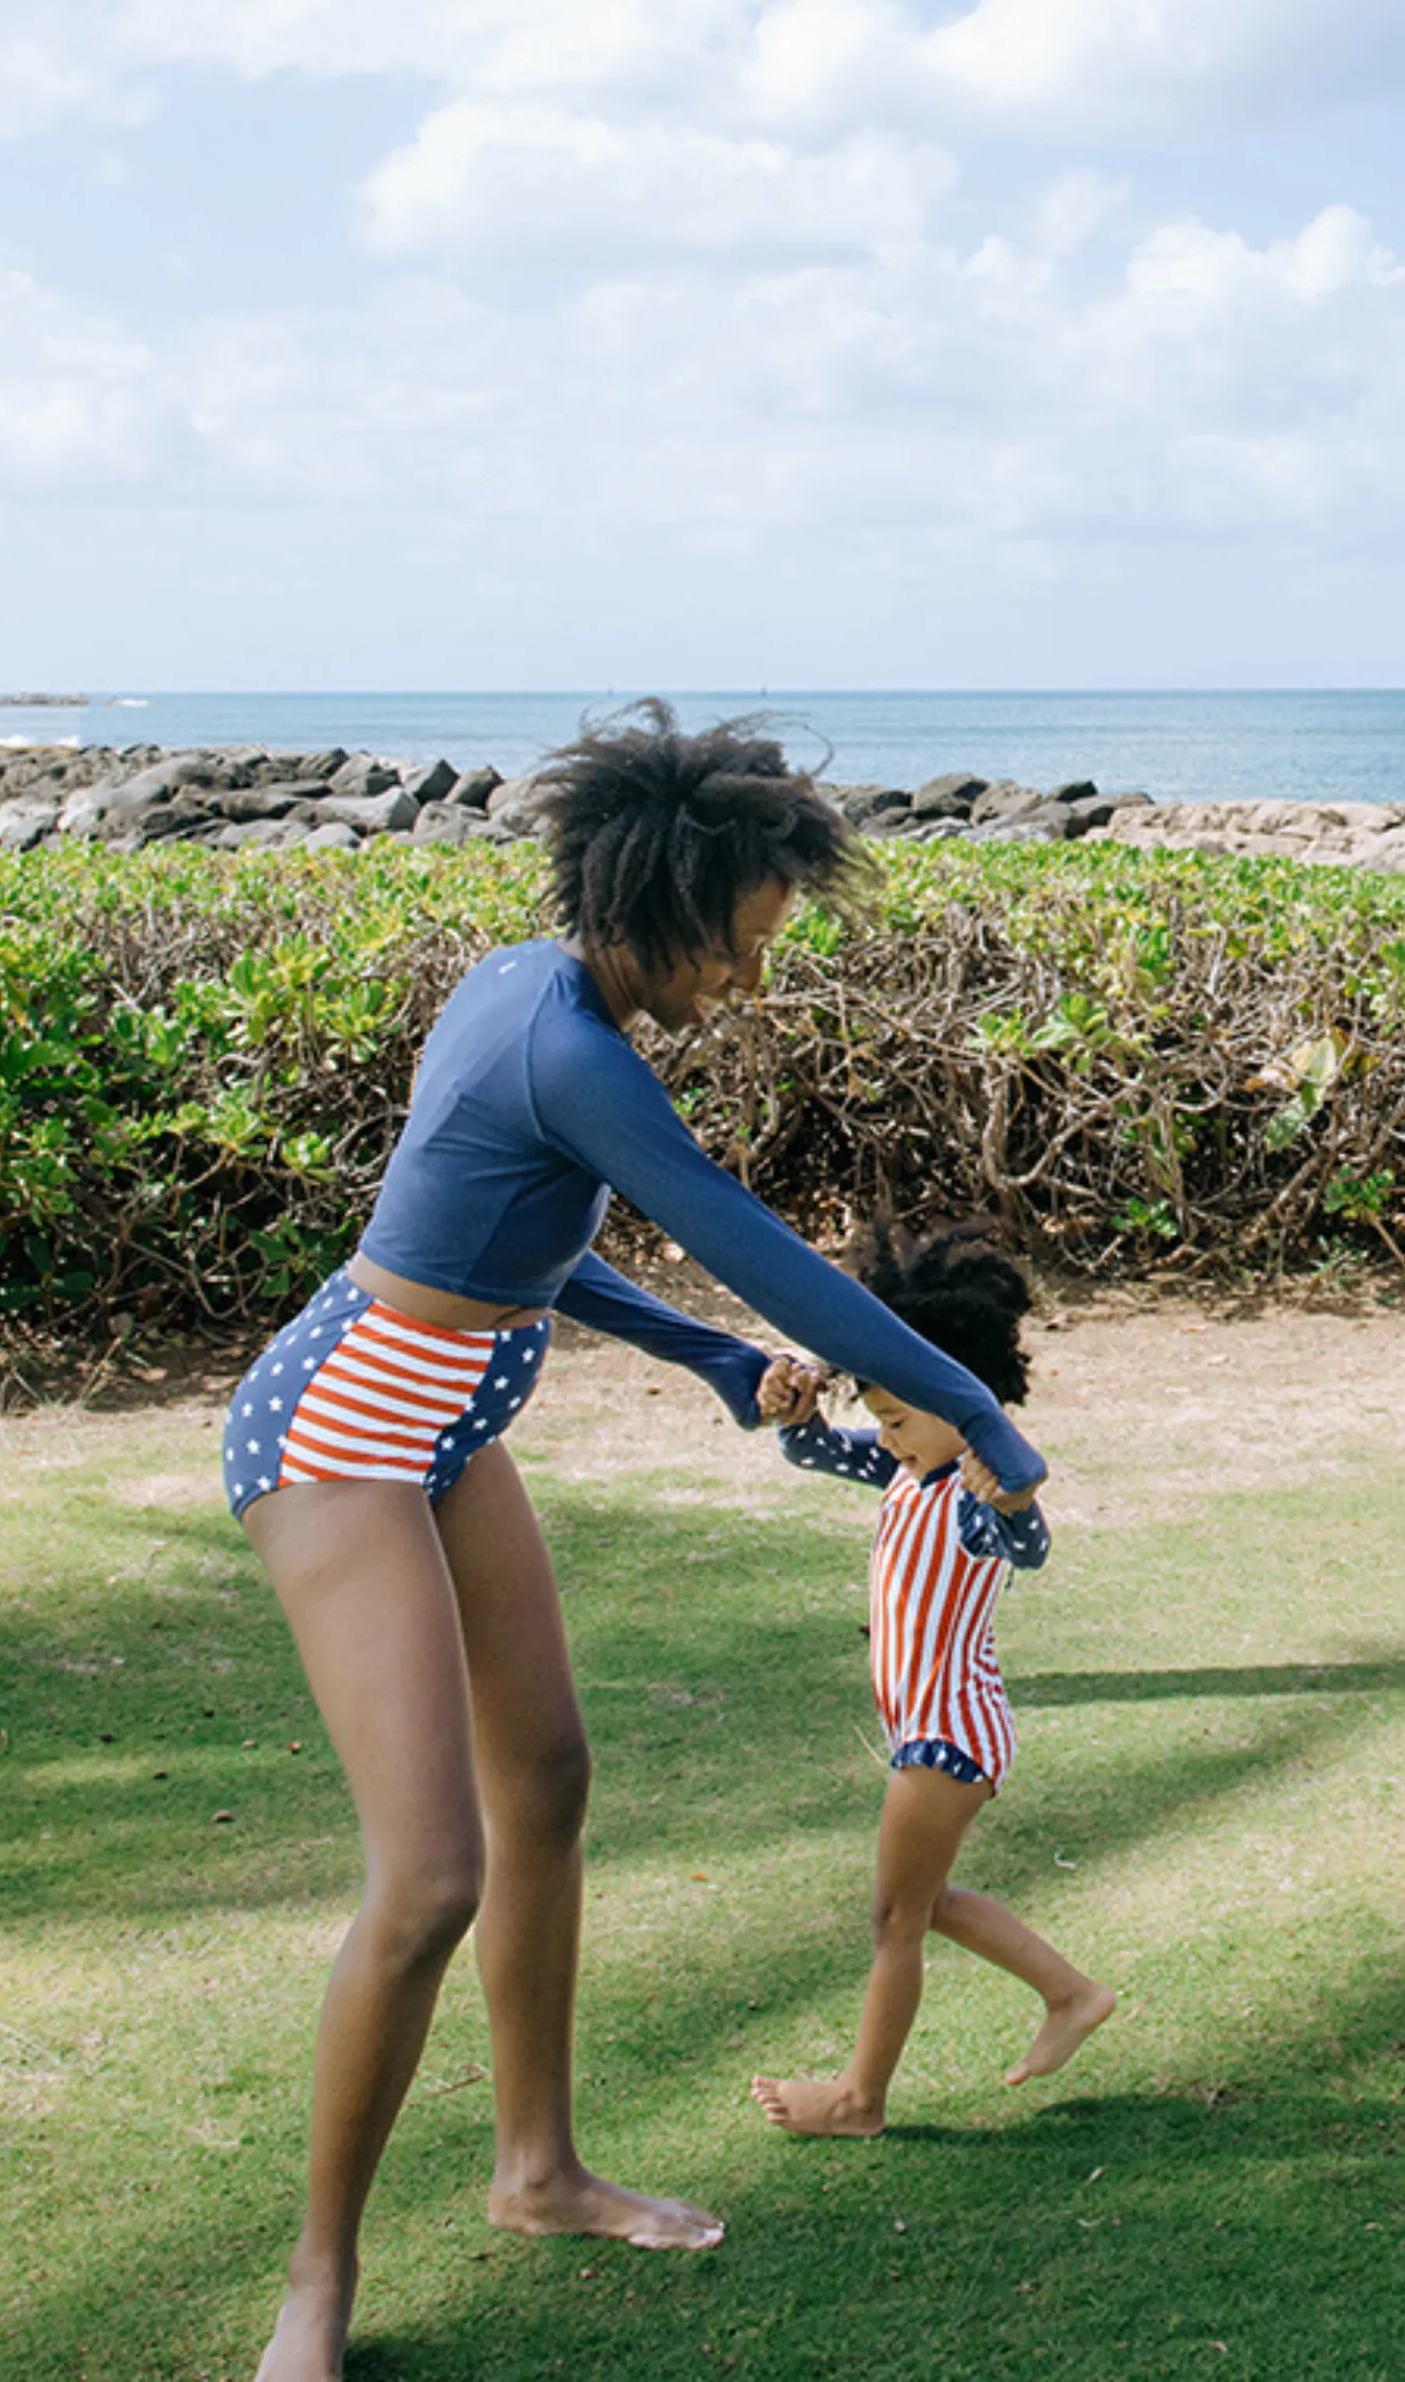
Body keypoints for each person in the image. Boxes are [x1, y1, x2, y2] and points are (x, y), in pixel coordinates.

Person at [220, 703, 1049, 2382]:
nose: (747, 984)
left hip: (450, 1430)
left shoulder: (535, 994)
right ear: (663, 902)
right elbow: (763, 1253)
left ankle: (538, 2173)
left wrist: (713, 1364)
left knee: (551, 1786)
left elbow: (541, 1250)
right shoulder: (573, 1049)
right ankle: (316, 2280)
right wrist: (989, 1419)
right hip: (339, 1441)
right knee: (433, 1871)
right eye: (740, 948)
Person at [748, 1220, 1116, 2138]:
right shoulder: (908, 1470)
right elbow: (813, 1450)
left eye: (901, 1417)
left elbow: (1025, 1549)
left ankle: (858, 2100)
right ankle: (1070, 1995)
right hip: (937, 1730)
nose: (887, 1435)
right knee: (924, 1902)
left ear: (966, 1401)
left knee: (893, 1920)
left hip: (947, 1736)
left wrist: (1017, 1496)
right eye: (880, 1417)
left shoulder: (974, 1493)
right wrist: (795, 1412)